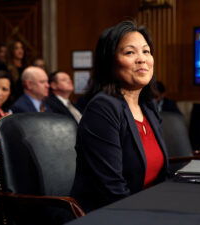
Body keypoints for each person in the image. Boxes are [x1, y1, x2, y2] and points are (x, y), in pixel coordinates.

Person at [71, 21, 168, 212]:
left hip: (149, 208)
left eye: (146, 51)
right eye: (130, 52)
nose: (142, 59)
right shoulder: (103, 108)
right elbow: (112, 190)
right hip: (113, 214)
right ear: (110, 62)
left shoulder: (148, 107)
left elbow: (161, 176)